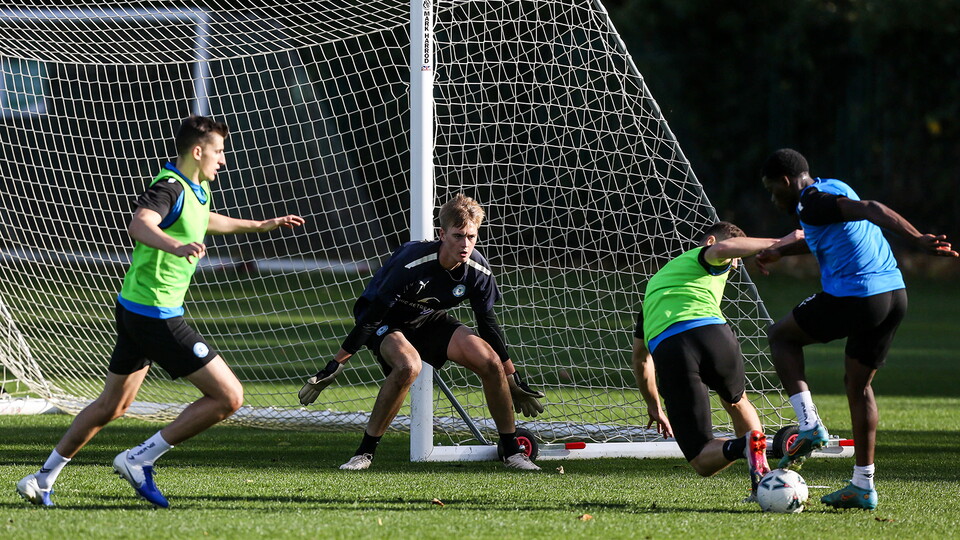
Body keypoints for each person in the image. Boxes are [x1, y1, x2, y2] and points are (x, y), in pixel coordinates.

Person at [16, 115, 305, 508]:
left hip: (136, 308)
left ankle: (41, 478)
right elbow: (140, 224)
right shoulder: (167, 186)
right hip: (156, 314)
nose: (223, 160)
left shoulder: (197, 188)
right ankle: (139, 459)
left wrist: (260, 225)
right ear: (198, 151)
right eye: (218, 152)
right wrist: (175, 247)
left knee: (112, 405)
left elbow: (205, 220)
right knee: (229, 396)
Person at [758, 148, 957, 510]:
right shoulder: (833, 188)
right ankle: (862, 485)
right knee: (858, 385)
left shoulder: (811, 201)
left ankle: (809, 425)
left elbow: (870, 208)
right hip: (894, 295)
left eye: (773, 190)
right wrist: (779, 252)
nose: (773, 199)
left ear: (786, 182)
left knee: (781, 336)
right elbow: (822, 235)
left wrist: (916, 239)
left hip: (857, 296)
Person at [298, 193, 544, 471]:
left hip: (427, 318)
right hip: (385, 320)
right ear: (442, 234)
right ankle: (364, 454)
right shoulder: (411, 261)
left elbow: (488, 325)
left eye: (472, 237)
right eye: (458, 236)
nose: (465, 244)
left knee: (490, 361)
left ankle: (511, 452)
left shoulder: (478, 271)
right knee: (408, 366)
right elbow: (371, 316)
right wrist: (335, 364)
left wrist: (512, 377)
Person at [632, 221, 801, 500]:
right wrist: (781, 241)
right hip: (715, 337)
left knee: (701, 459)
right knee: (737, 401)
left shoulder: (654, 292)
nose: (732, 266)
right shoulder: (704, 255)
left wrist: (654, 406)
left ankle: (747, 450)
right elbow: (723, 248)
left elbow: (640, 361)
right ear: (709, 242)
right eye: (734, 259)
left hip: (672, 348)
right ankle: (763, 478)